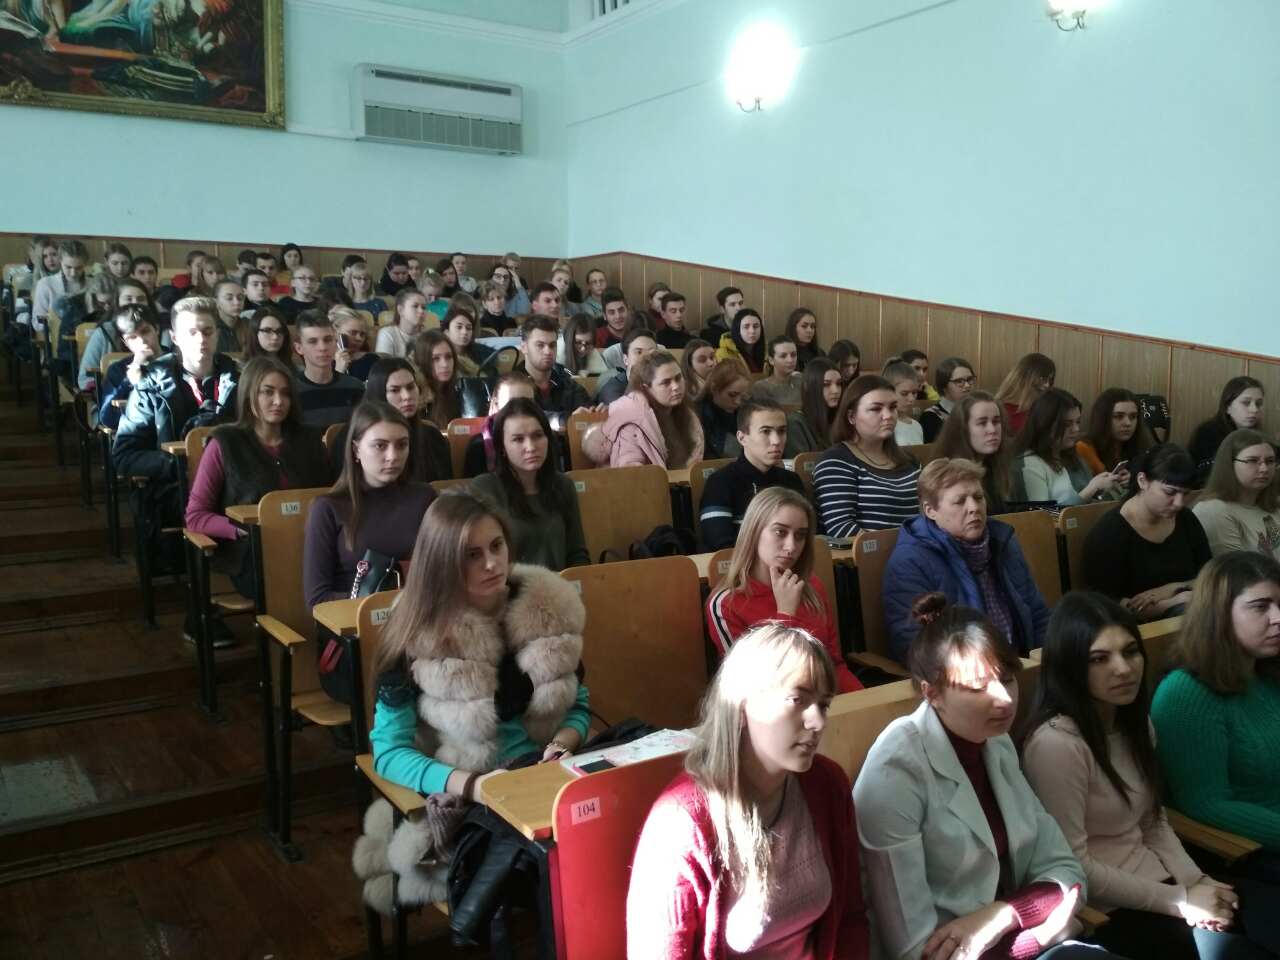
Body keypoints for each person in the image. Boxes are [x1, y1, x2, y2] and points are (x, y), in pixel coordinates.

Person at [1024, 591, 1280, 959]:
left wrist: (1196, 881)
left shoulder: (1134, 723)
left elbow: (1153, 821)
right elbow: (1074, 864)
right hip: (1111, 907)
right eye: (1099, 658)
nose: (1123, 668)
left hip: (1166, 882)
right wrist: (1181, 900)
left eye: (1130, 652)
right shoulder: (1055, 745)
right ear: (1070, 667)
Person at [854, 595, 1105, 960]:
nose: (1004, 699)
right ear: (932, 693)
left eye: (1007, 678)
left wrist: (1002, 915)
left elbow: (1066, 872)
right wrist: (1039, 937)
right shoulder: (895, 771)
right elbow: (916, 952)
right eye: (978, 687)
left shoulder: (995, 742)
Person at [627, 623, 869, 959]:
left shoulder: (827, 785)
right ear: (742, 706)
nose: (817, 722)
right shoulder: (681, 821)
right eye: (797, 699)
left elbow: (850, 919)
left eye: (824, 704)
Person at [366, 492, 588, 809]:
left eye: (497, 546)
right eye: (472, 555)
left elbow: (577, 703)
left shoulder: (546, 609)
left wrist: (561, 744)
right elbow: (389, 753)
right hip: (472, 793)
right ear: (441, 563)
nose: (491, 563)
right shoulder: (414, 633)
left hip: (548, 778)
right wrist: (474, 786)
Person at [185, 356, 329, 644]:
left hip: (308, 546)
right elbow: (196, 516)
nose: (278, 401)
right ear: (250, 394)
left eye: (285, 393)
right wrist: (238, 530)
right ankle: (290, 650)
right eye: (268, 392)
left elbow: (331, 496)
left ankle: (325, 651)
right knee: (293, 582)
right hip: (251, 553)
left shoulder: (309, 440)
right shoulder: (225, 442)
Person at [1152, 552, 1280, 866]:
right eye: (1260, 607)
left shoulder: (1267, 670)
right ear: (1219, 614)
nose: (1277, 617)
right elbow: (1205, 804)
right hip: (1250, 848)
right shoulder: (1185, 693)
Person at [883, 458, 1051, 664]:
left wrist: (1047, 663)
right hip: (963, 673)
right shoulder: (909, 562)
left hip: (1022, 664)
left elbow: (1038, 614)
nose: (974, 507)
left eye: (978, 497)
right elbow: (915, 645)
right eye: (960, 501)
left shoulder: (1003, 541)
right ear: (930, 510)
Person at [705, 484, 862, 688]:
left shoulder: (811, 585)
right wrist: (786, 614)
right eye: (780, 532)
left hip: (824, 698)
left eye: (800, 535)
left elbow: (833, 665)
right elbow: (754, 686)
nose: (791, 547)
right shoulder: (726, 604)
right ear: (754, 531)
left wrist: (862, 699)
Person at [303, 401, 436, 608]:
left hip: (421, 614)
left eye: (402, 445)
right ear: (356, 450)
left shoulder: (425, 497)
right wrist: (379, 603)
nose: (393, 456)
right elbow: (317, 600)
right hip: (355, 620)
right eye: (380, 446)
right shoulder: (328, 508)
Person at [114, 297, 240, 481]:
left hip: (234, 483)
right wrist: (181, 464)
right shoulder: (151, 385)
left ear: (217, 334)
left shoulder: (240, 380)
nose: (201, 339)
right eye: (192, 333)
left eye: (207, 332)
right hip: (175, 486)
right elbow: (124, 457)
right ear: (175, 338)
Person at [1082, 443, 1209, 619]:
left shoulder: (1186, 519)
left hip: (1191, 611)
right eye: (1170, 492)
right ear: (1142, 481)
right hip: (1138, 625)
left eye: (1185, 494)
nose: (1179, 503)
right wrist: (1173, 602)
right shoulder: (1108, 534)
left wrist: (1174, 588)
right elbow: (1106, 604)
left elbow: (1209, 572)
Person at [469, 398, 589, 570]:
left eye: (537, 436)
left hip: (560, 585)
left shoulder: (564, 485)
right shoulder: (484, 489)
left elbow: (577, 554)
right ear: (502, 447)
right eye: (518, 439)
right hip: (508, 585)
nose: (531, 447)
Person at [813, 374, 921, 538]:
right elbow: (841, 528)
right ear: (852, 417)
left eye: (892, 407)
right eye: (876, 409)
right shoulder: (835, 462)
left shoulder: (910, 460)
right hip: (866, 553)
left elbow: (928, 514)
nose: (888, 415)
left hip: (915, 550)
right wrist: (896, 549)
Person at [699, 398, 805, 550]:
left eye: (781, 431)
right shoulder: (720, 483)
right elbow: (721, 547)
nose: (776, 441)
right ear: (742, 438)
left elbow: (808, 536)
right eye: (766, 431)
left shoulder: (792, 481)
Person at [340, 357, 451, 483]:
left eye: (410, 387)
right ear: (379, 393)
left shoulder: (432, 436)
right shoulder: (350, 438)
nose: (407, 396)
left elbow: (446, 487)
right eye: (395, 390)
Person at [589, 349, 704, 468]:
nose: (675, 387)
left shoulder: (687, 414)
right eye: (666, 382)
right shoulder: (630, 420)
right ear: (646, 388)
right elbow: (631, 471)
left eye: (678, 378)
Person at [1014, 388, 1124, 506]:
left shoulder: (1071, 454)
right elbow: (1041, 514)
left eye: (1078, 422)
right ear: (1045, 424)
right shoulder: (1030, 463)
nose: (1076, 429)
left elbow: (1092, 499)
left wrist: (1108, 484)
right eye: (1067, 424)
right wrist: (1090, 490)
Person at [1194, 429, 1280, 558]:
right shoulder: (1213, 509)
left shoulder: (1275, 504)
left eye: (1270, 461)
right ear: (1229, 464)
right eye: (1252, 460)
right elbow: (1237, 568)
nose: (1264, 469)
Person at [937, 391, 1014, 515]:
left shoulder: (999, 464)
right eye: (982, 423)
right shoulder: (949, 477)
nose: (992, 430)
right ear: (963, 429)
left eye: (996, 421)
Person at [1189, 377, 1269, 487]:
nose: (1254, 409)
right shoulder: (1208, 433)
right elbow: (1210, 478)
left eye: (1258, 404)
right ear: (1228, 407)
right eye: (1246, 403)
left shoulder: (1260, 436)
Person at [77, 277, 152, 392]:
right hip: (111, 394)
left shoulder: (159, 330)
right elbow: (84, 378)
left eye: (141, 299)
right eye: (128, 299)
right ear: (117, 303)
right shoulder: (103, 333)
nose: (135, 304)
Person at [292, 310, 365, 427]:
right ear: (299, 348)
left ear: (335, 342)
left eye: (328, 340)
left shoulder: (356, 387)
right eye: (313, 341)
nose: (322, 347)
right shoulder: (291, 390)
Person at [518, 315, 593, 428]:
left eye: (552, 345)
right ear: (524, 347)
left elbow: (588, 412)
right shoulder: (512, 385)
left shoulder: (567, 382)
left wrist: (595, 413)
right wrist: (565, 419)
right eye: (540, 345)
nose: (548, 351)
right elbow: (522, 418)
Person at [98, 306, 162, 432]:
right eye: (133, 337)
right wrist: (128, 381)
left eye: (145, 331)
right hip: (139, 433)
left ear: (157, 329)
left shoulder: (177, 361)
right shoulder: (118, 370)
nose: (142, 341)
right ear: (125, 342)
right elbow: (108, 419)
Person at [462, 372, 537, 478]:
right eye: (511, 404)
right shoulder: (479, 447)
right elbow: (473, 486)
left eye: (528, 404)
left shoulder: (544, 440)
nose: (521, 411)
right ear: (496, 405)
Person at [1077, 388, 1154, 481]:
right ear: (1103, 419)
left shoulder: (1139, 446)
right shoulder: (1084, 448)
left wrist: (1133, 480)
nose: (1128, 423)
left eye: (1133, 416)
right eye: (1118, 416)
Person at [784, 357, 843, 457]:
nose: (835, 390)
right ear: (809, 387)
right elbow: (801, 464)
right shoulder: (795, 423)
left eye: (839, 383)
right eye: (826, 384)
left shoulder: (840, 420)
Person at [697, 359, 752, 459]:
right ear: (714, 388)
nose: (738, 402)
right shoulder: (700, 414)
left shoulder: (747, 409)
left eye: (743, 397)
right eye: (732, 395)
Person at [30, 238, 88, 333]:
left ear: (85, 264)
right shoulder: (45, 284)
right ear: (60, 261)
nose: (73, 273)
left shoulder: (93, 284)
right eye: (68, 267)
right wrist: (54, 321)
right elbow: (37, 323)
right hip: (57, 336)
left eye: (79, 268)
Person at [996, 352, 1057, 436]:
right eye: (1042, 378)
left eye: (1050, 380)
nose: (1047, 385)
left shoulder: (1045, 411)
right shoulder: (998, 409)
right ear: (1025, 376)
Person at [920, 357, 977, 443]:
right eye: (959, 381)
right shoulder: (930, 417)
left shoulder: (977, 411)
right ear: (944, 386)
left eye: (970, 379)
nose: (967, 385)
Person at [596, 329, 657, 406]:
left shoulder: (661, 383)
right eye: (639, 352)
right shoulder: (612, 389)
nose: (646, 358)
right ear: (625, 359)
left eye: (652, 353)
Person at [443, 305, 496, 379]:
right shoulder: (439, 356)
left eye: (468, 328)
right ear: (447, 332)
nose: (465, 332)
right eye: (459, 327)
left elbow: (493, 380)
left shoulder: (485, 354)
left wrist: (474, 369)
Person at [751, 335, 804, 406]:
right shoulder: (761, 387)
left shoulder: (800, 380)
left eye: (793, 355)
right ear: (771, 360)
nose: (790, 360)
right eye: (783, 356)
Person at [374, 288, 426, 359]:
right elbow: (384, 364)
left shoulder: (427, 336)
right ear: (400, 310)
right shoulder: (387, 333)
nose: (421, 311)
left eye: (424, 307)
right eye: (415, 306)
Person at [330, 305, 378, 381]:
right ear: (334, 331)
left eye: (362, 334)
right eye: (353, 333)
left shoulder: (373, 360)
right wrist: (339, 370)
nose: (359, 338)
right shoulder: (323, 363)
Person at [884, 360, 925, 446]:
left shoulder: (917, 426)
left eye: (914, 393)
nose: (911, 399)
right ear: (889, 392)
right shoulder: (884, 425)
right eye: (904, 394)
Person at [716, 308, 765, 373]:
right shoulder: (724, 353)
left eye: (756, 326)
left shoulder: (768, 350)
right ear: (738, 330)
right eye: (746, 327)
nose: (752, 331)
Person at [211, 279, 247, 352]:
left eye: (240, 298)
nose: (237, 302)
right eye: (229, 298)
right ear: (216, 302)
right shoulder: (210, 328)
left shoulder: (248, 325)